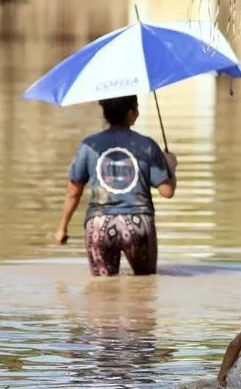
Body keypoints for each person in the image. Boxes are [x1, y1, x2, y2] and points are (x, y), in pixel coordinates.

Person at [54, 95, 177, 276]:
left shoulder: (89, 145)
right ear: (131, 113)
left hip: (98, 223)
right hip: (138, 224)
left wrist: (62, 227)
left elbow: (73, 191)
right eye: (136, 108)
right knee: (145, 288)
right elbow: (167, 191)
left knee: (101, 294)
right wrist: (171, 167)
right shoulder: (147, 145)